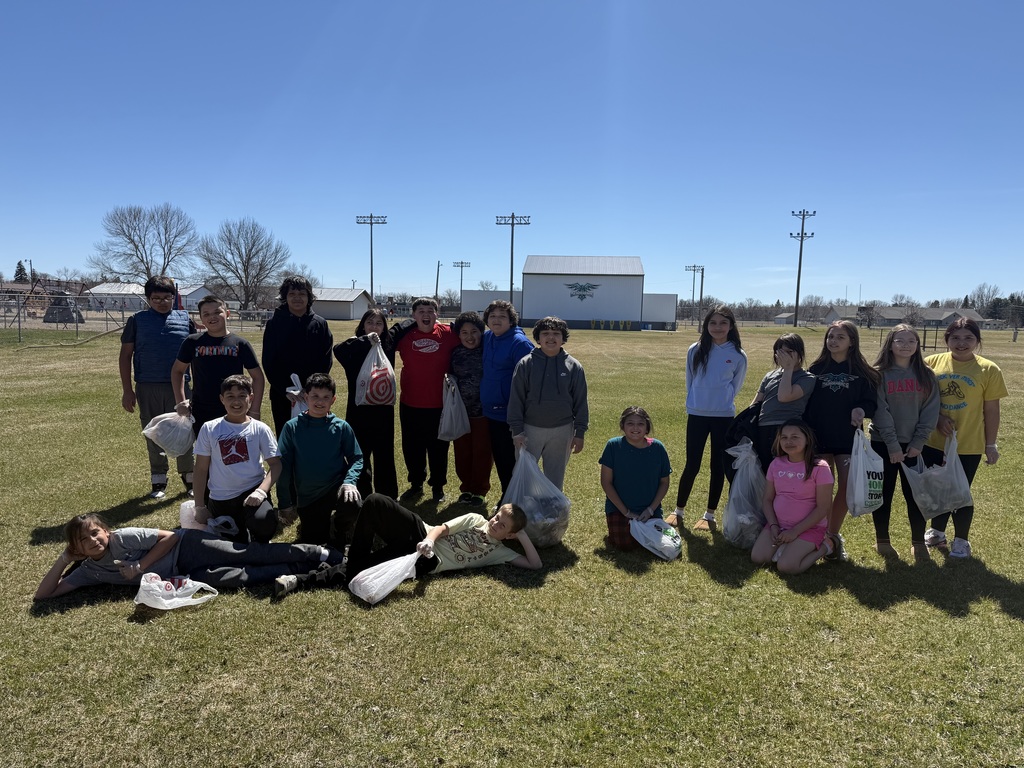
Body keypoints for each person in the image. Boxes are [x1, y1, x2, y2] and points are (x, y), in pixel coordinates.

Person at [274, 492, 542, 595]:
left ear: (509, 535)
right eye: (496, 518)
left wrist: (522, 536)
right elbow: (441, 527)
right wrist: (427, 540)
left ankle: (298, 580)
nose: (495, 523)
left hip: (425, 562)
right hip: (421, 534)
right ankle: (351, 560)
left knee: (359, 571)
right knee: (376, 501)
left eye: (502, 526)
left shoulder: (500, 551)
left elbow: (534, 564)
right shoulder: (475, 518)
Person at [34, 513, 342, 599]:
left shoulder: (122, 538)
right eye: (83, 540)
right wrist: (64, 559)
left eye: (95, 533)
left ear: (106, 531)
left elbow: (169, 537)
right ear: (77, 548)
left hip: (188, 546)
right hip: (185, 576)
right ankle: (299, 566)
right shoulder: (89, 571)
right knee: (241, 578)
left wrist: (141, 565)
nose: (93, 541)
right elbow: (44, 595)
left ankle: (316, 552)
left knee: (248, 554)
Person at [921, 318, 1007, 559]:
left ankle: (961, 541)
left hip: (968, 444)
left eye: (968, 338)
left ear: (977, 341)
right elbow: (921, 400)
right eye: (955, 338)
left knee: (959, 492)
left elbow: (991, 410)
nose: (961, 343)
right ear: (946, 339)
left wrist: (991, 445)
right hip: (933, 441)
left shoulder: (989, 369)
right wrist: (938, 418)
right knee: (937, 490)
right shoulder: (931, 363)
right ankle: (937, 532)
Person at [802, 321, 880, 562]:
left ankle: (832, 535)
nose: (834, 341)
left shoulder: (862, 371)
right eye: (830, 336)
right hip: (819, 438)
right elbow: (806, 403)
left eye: (840, 337)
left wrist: (860, 409)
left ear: (852, 342)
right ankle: (815, 535)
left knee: (847, 489)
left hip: (848, 440)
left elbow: (871, 403)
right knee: (821, 490)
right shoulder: (816, 368)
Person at [668, 305, 747, 531]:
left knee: (717, 466)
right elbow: (690, 381)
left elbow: (736, 386)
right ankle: (678, 511)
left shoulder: (738, 355)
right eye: (713, 323)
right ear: (706, 325)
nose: (718, 327)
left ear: (731, 326)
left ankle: (709, 515)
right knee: (692, 464)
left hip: (723, 416)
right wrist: (695, 402)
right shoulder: (695, 349)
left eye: (723, 323)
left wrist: (722, 400)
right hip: (697, 414)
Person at [118, 275, 197, 499]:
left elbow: (195, 355)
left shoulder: (184, 319)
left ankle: (189, 476)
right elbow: (125, 356)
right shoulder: (137, 320)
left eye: (167, 297)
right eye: (156, 298)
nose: (162, 302)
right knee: (154, 432)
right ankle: (158, 478)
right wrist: (127, 390)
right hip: (148, 385)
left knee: (185, 429)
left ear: (174, 297)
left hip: (181, 387)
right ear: (148, 299)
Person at [868, 325, 940, 561]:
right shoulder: (878, 374)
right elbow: (880, 410)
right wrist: (892, 445)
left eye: (912, 341)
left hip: (915, 447)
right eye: (900, 341)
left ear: (918, 345)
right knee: (883, 494)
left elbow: (931, 410)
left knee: (917, 495)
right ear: (890, 344)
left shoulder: (926, 374)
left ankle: (918, 542)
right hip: (883, 444)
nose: (906, 345)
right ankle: (882, 541)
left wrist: (918, 442)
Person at [276, 373, 363, 548]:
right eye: (315, 396)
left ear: (333, 400)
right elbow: (283, 466)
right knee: (314, 542)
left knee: (351, 501)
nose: (320, 401)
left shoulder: (341, 427)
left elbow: (357, 457)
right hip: (308, 496)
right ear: (305, 397)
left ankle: (342, 529)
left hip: (335, 487)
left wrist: (350, 482)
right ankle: (315, 526)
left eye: (326, 397)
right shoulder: (292, 427)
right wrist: (285, 503)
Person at [192, 375, 281, 544]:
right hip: (221, 499)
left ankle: (259, 535)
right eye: (230, 397)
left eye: (242, 396)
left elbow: (276, 465)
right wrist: (199, 506)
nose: (236, 402)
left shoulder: (261, 429)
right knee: (231, 545)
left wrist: (261, 491)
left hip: (252, 493)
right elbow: (201, 469)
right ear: (221, 399)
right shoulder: (209, 428)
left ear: (251, 398)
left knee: (264, 525)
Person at [507, 316, 589, 492]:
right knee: (525, 477)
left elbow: (581, 402)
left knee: (555, 478)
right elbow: (516, 400)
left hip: (562, 430)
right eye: (545, 333)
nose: (550, 338)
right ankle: (525, 514)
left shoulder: (573, 366)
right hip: (530, 430)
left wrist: (579, 432)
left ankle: (552, 514)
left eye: (556, 334)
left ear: (563, 338)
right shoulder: (525, 364)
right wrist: (517, 431)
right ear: (538, 338)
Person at [393, 298, 460, 503]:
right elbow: (382, 339)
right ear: (413, 316)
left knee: (439, 447)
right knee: (412, 447)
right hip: (410, 403)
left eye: (430, 310)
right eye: (420, 311)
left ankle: (438, 486)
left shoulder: (448, 334)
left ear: (436, 314)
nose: (425, 314)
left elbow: (471, 337)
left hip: (439, 404)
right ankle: (416, 484)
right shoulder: (405, 336)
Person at [172, 295, 265, 434]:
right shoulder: (192, 342)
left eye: (217, 312)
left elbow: (258, 377)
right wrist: (181, 402)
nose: (212, 317)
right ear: (201, 319)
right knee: (205, 453)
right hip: (201, 409)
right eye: (206, 314)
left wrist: (255, 409)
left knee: (235, 452)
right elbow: (177, 371)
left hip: (235, 408)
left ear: (227, 313)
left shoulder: (240, 344)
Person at [750, 419, 834, 574]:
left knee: (787, 566)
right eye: (784, 437)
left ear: (807, 439)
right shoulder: (776, 464)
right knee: (758, 558)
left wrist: (795, 531)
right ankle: (786, 546)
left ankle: (825, 547)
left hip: (808, 528)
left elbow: (823, 508)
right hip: (778, 526)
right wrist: (774, 525)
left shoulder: (820, 467)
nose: (789, 441)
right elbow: (767, 500)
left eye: (795, 437)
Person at [333, 308, 400, 499]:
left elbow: (402, 327)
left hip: (383, 411)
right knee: (359, 454)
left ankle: (387, 497)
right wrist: (365, 340)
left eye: (379, 323)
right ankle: (361, 495)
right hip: (359, 411)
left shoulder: (387, 345)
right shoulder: (355, 347)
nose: (374, 327)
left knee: (384, 455)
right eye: (370, 322)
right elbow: (338, 349)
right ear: (362, 325)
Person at [261, 276, 333, 436]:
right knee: (286, 440)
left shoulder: (320, 324)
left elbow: (325, 360)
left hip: (314, 395)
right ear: (285, 297)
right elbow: (269, 362)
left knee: (314, 438)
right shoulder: (274, 324)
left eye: (302, 294)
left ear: (309, 297)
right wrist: (286, 390)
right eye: (292, 294)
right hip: (284, 396)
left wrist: (312, 390)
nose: (297, 298)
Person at [480, 300, 535, 497]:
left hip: (510, 414)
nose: (497, 320)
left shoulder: (519, 343)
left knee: (513, 461)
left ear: (511, 321)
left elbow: (530, 380)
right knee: (501, 459)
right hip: (491, 412)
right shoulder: (487, 338)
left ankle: (516, 500)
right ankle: (507, 496)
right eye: (493, 316)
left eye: (502, 316)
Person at [599, 406, 672, 551]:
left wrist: (650, 510)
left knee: (659, 545)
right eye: (630, 423)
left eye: (640, 424)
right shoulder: (613, 446)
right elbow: (606, 483)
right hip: (620, 509)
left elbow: (664, 482)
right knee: (624, 544)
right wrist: (626, 512)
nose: (635, 428)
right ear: (623, 426)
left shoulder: (658, 448)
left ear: (647, 428)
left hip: (649, 510)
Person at [751, 333, 815, 475]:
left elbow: (784, 396)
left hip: (787, 430)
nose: (784, 356)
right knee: (765, 471)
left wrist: (788, 369)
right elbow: (755, 403)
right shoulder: (770, 376)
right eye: (780, 352)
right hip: (764, 429)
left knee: (783, 471)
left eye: (789, 352)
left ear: (800, 354)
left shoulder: (807, 378)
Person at [449, 311, 492, 505]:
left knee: (482, 453)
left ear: (482, 333)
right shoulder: (455, 353)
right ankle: (466, 488)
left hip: (483, 413)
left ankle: (480, 490)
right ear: (458, 335)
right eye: (464, 332)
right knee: (463, 452)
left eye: (474, 331)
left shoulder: (488, 350)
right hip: (461, 412)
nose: (469, 337)